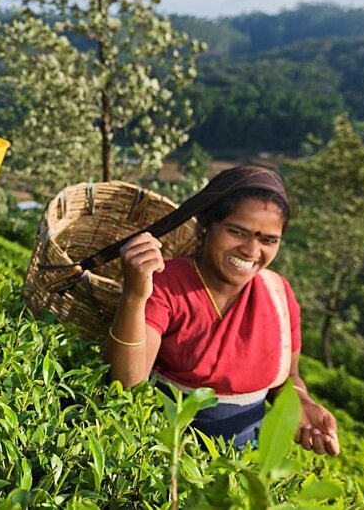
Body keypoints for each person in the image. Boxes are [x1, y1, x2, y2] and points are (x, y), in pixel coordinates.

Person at [105, 166, 339, 455]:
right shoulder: (166, 283)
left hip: (245, 456)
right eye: (237, 232)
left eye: (268, 240)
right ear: (206, 224)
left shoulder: (278, 293)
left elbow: (286, 378)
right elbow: (127, 383)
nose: (252, 251)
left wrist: (299, 401)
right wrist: (135, 295)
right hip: (167, 452)